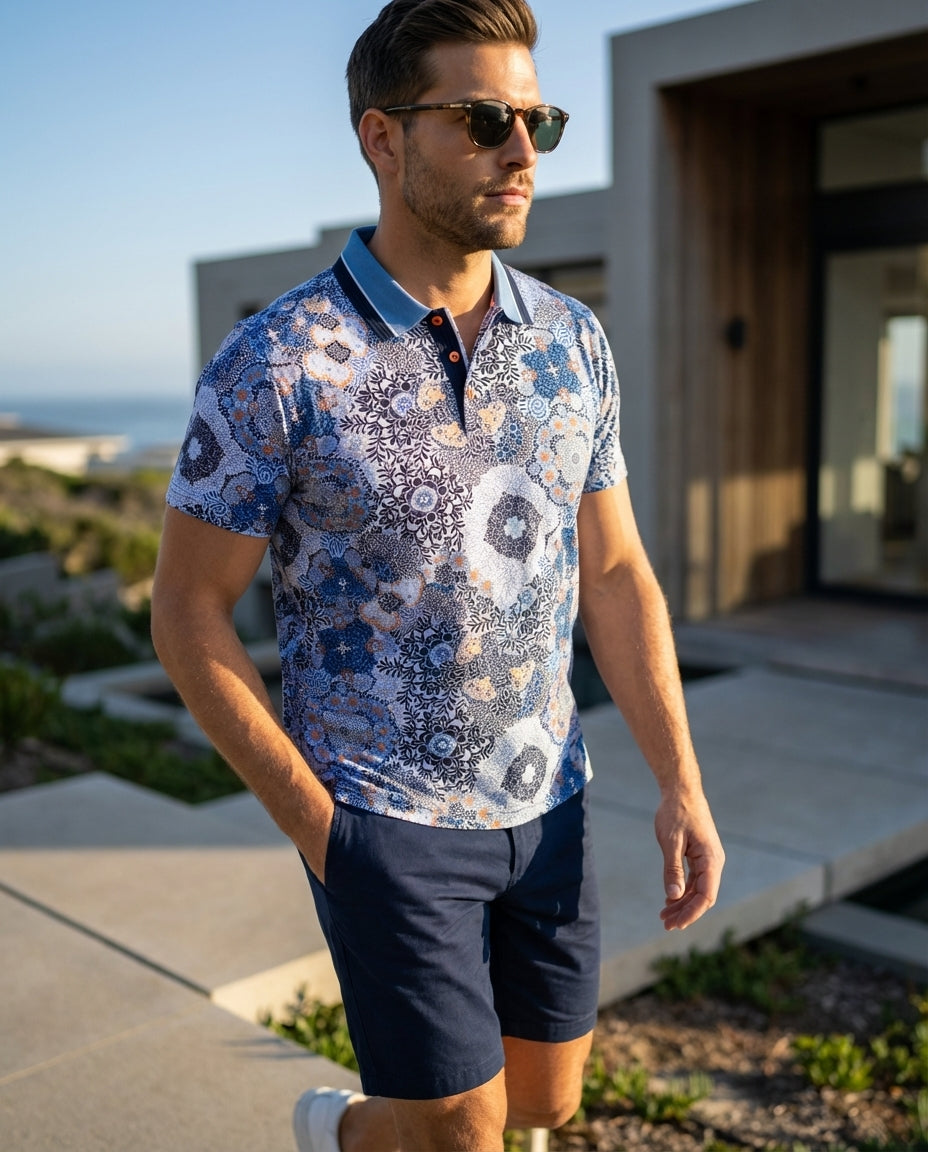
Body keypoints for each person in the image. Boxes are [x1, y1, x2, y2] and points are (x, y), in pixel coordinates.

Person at [151, 1, 725, 1149]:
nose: (521, 152)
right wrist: (321, 832)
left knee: (544, 1107)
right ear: (383, 138)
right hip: (379, 817)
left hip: (551, 800)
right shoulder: (277, 358)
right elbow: (187, 611)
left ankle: (344, 1133)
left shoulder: (572, 340)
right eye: (482, 120)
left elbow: (613, 574)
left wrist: (679, 781)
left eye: (536, 121)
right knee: (462, 1134)